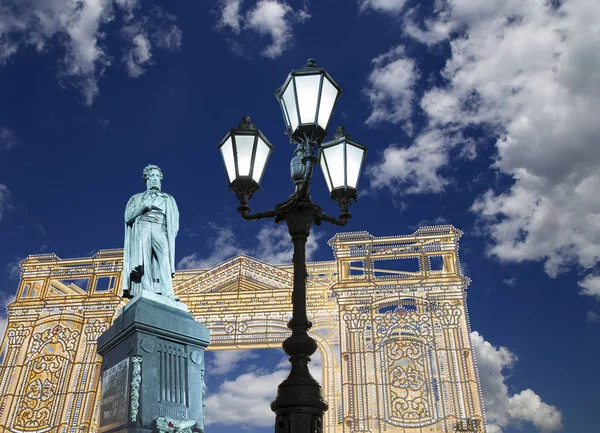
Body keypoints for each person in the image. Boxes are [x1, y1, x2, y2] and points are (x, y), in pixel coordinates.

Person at [122, 164, 180, 301]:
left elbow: (174, 221)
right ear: (146, 179)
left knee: (164, 259)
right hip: (143, 227)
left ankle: (167, 292)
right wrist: (143, 206)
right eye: (152, 176)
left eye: (157, 176)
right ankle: (147, 291)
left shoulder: (168, 199)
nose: (155, 179)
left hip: (161, 228)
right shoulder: (137, 198)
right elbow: (128, 216)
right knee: (144, 260)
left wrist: (168, 232)